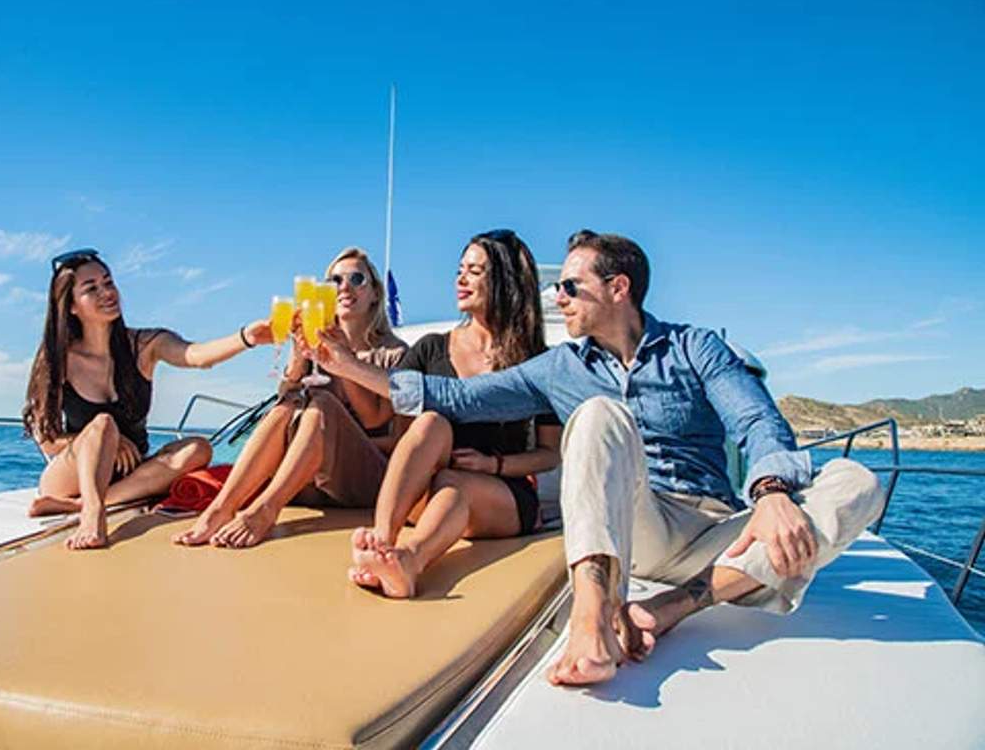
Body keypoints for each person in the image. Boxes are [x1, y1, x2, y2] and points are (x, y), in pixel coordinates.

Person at [320, 229, 886, 687]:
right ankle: (591, 622)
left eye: (569, 286)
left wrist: (771, 495)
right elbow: (456, 397)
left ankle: (671, 608)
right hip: (636, 528)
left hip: (723, 530)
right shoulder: (562, 367)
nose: (558, 298)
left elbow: (756, 419)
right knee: (596, 415)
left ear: (618, 288)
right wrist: (345, 366)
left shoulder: (696, 347)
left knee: (855, 481)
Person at [334, 230, 561, 597]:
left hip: (500, 493)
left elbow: (551, 455)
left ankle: (408, 560)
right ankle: (381, 542)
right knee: (431, 422)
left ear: (504, 280)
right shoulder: (430, 349)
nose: (460, 278)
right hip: (426, 491)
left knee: (457, 488)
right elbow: (387, 423)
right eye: (460, 269)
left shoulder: (535, 362)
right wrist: (341, 361)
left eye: (474, 270)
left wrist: (493, 466)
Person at [21, 248, 274, 550]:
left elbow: (196, 356)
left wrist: (247, 337)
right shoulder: (57, 357)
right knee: (103, 424)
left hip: (129, 472)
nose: (107, 292)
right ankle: (91, 511)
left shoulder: (145, 345)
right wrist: (105, 440)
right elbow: (47, 440)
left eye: (108, 282)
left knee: (198, 448)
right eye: (91, 289)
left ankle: (74, 506)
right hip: (69, 476)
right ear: (71, 306)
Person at [173, 247, 407, 549]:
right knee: (288, 406)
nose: (344, 287)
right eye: (334, 281)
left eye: (356, 278)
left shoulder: (395, 353)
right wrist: (299, 355)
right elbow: (286, 398)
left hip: (364, 482)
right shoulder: (317, 346)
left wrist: (344, 370)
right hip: (307, 481)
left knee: (322, 406)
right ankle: (221, 508)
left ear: (375, 293)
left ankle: (265, 510)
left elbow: (394, 435)